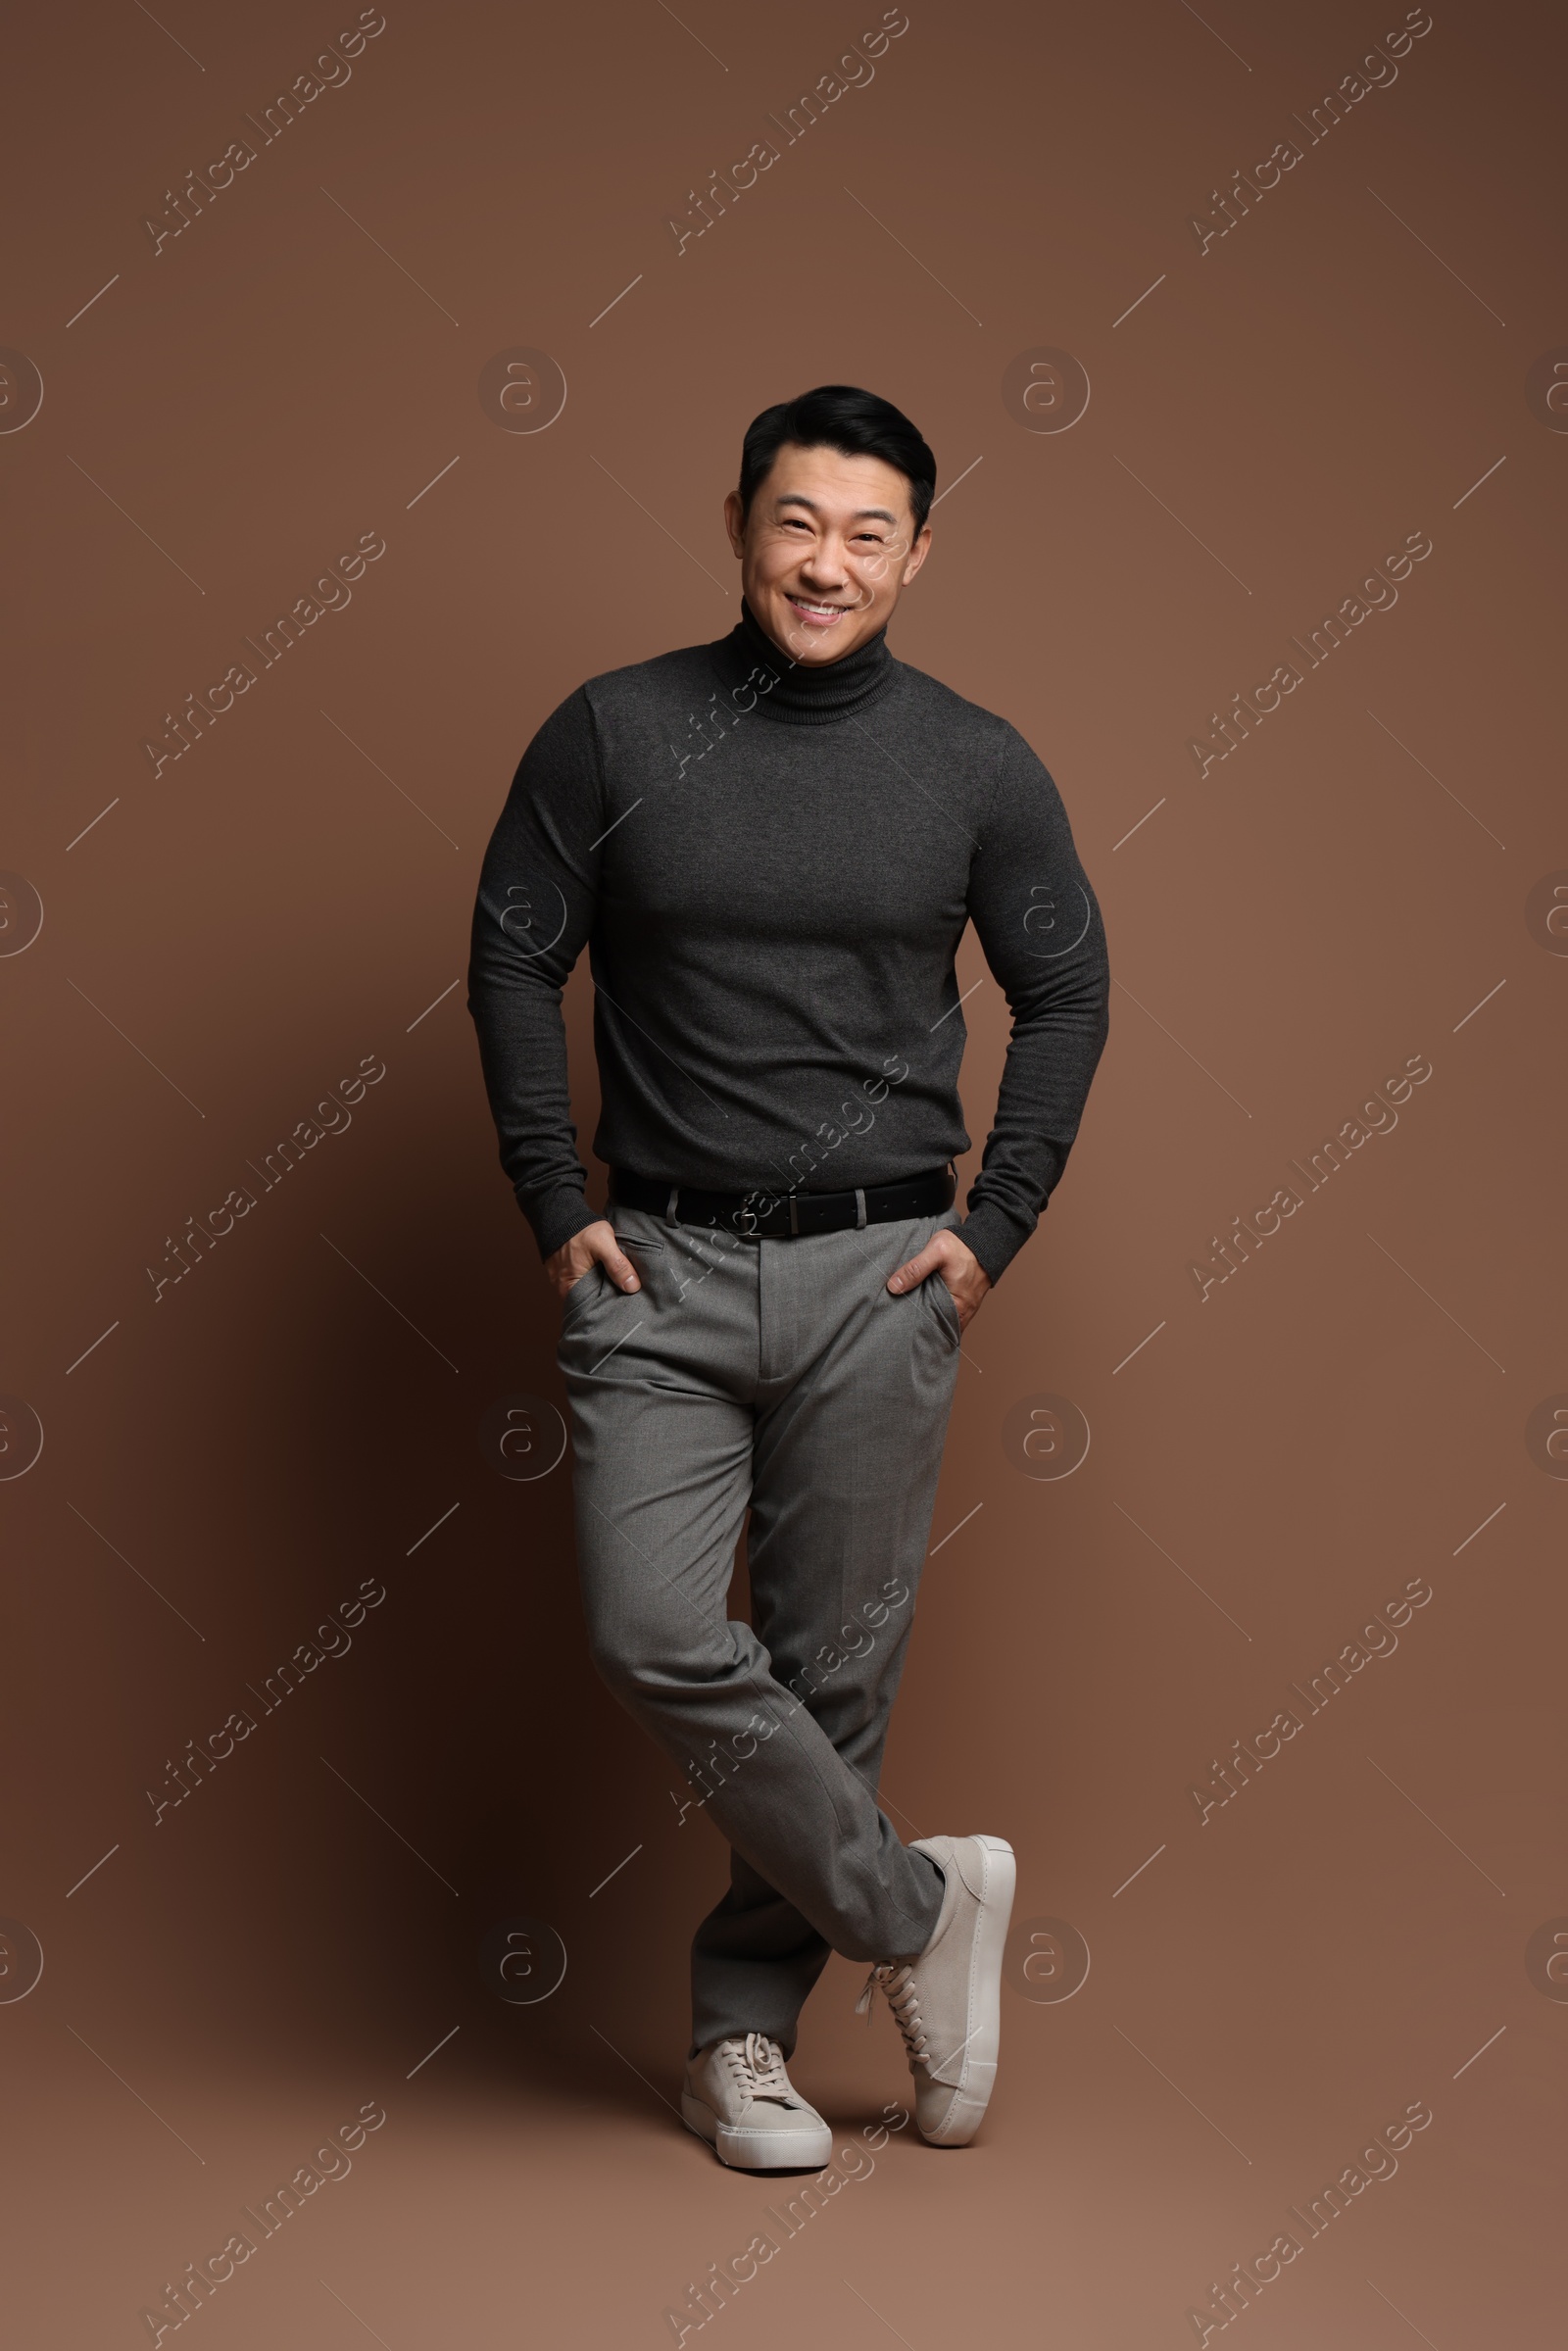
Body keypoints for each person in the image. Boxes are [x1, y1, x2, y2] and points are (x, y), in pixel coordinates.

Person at [467, 384, 1109, 2168]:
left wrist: (992, 1234)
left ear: (918, 551)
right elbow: (515, 955)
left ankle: (740, 2041)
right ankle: (917, 1909)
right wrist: (547, 1194)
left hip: (882, 1280)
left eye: (868, 533)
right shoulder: (612, 731)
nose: (825, 564)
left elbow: (1068, 996)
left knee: (832, 1676)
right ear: (739, 522)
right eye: (796, 523)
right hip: (655, 1263)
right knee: (653, 1630)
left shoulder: (977, 763)